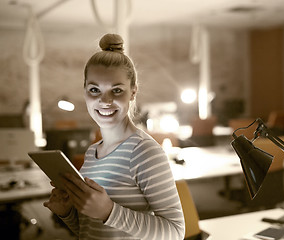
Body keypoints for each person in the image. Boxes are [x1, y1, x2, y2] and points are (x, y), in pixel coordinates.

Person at [43, 33, 185, 240]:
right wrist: (67, 212)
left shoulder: (144, 152)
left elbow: (176, 232)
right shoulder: (92, 153)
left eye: (116, 90)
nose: (105, 100)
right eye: (94, 89)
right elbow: (94, 231)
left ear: (133, 92)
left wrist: (109, 212)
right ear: (84, 92)